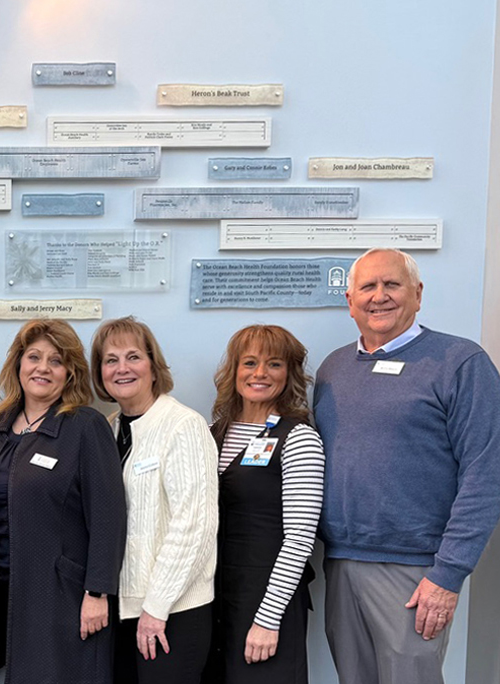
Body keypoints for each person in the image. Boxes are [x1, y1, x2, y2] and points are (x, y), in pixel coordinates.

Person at [313, 248, 500, 684]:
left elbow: (486, 473)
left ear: (417, 294)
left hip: (417, 572)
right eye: (368, 287)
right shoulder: (333, 368)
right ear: (349, 301)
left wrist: (448, 574)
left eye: (392, 284)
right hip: (340, 563)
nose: (380, 296)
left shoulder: (460, 363)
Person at [0, 319, 126, 683]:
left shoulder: (86, 426)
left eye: (56, 361)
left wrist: (98, 591)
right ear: (18, 364)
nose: (43, 368)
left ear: (70, 373)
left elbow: (108, 516)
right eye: (34, 357)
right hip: (1, 591)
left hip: (62, 594)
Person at [90, 316, 217, 684]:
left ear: (153, 365)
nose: (122, 368)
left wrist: (156, 608)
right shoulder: (112, 428)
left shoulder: (183, 425)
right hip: (125, 610)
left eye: (133, 357)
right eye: (110, 360)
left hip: (172, 613)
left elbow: (194, 526)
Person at [204, 325, 325, 684]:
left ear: (289, 374)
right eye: (250, 363)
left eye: (273, 364)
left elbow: (301, 539)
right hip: (215, 601)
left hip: (267, 603)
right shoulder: (213, 433)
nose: (259, 374)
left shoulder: (299, 439)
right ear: (234, 371)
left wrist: (267, 620)